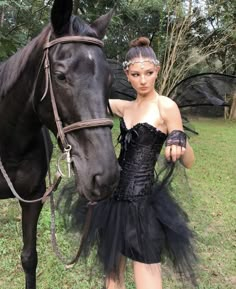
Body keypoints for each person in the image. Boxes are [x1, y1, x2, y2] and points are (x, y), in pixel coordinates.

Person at [62, 37, 197, 289]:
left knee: (147, 279)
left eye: (148, 73)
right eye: (136, 74)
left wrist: (179, 139)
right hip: (113, 200)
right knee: (112, 277)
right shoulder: (124, 108)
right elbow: (88, 97)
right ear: (127, 74)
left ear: (157, 70)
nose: (143, 80)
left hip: (142, 204)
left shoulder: (166, 106)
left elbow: (189, 162)